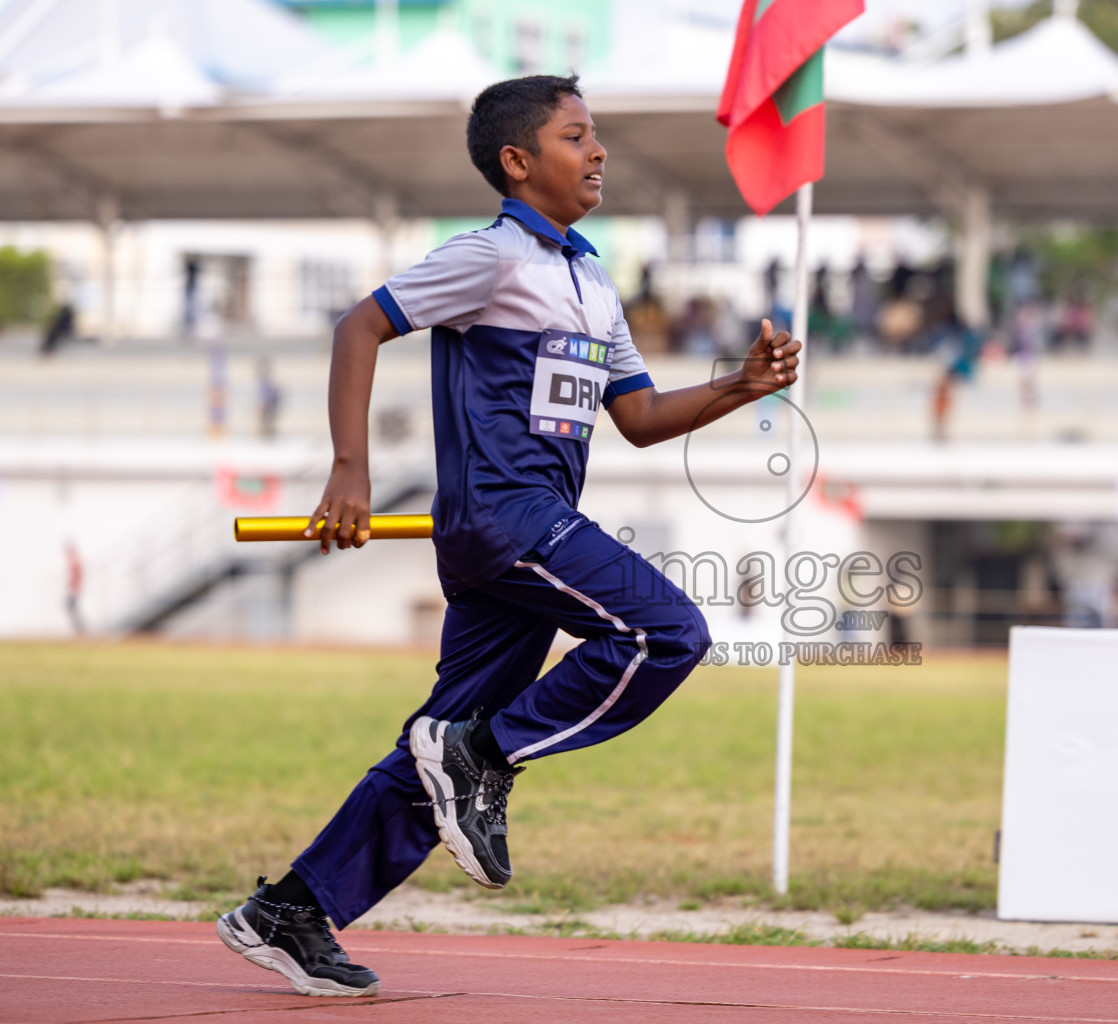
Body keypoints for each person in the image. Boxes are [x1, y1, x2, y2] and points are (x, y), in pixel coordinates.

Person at [215, 75, 801, 998]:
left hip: (528, 532)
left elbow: (640, 417)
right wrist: (350, 470)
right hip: (507, 518)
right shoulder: (489, 258)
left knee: (438, 740)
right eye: (578, 137)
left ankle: (292, 908)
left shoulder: (593, 279)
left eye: (596, 134)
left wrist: (741, 387)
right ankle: (483, 758)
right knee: (667, 633)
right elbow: (359, 325)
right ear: (520, 163)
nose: (599, 150)